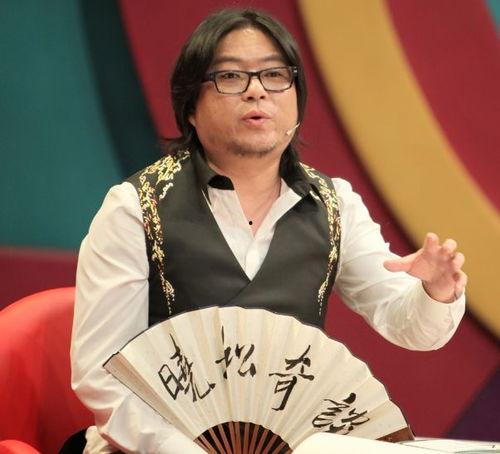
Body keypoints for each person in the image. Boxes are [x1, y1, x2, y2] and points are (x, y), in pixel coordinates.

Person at [70, 8, 467, 454]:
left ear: (297, 101)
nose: (257, 90)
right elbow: (101, 373)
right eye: (230, 77)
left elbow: (407, 324)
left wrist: (436, 291)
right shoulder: (135, 208)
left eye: (275, 75)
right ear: (190, 107)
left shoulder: (335, 205)